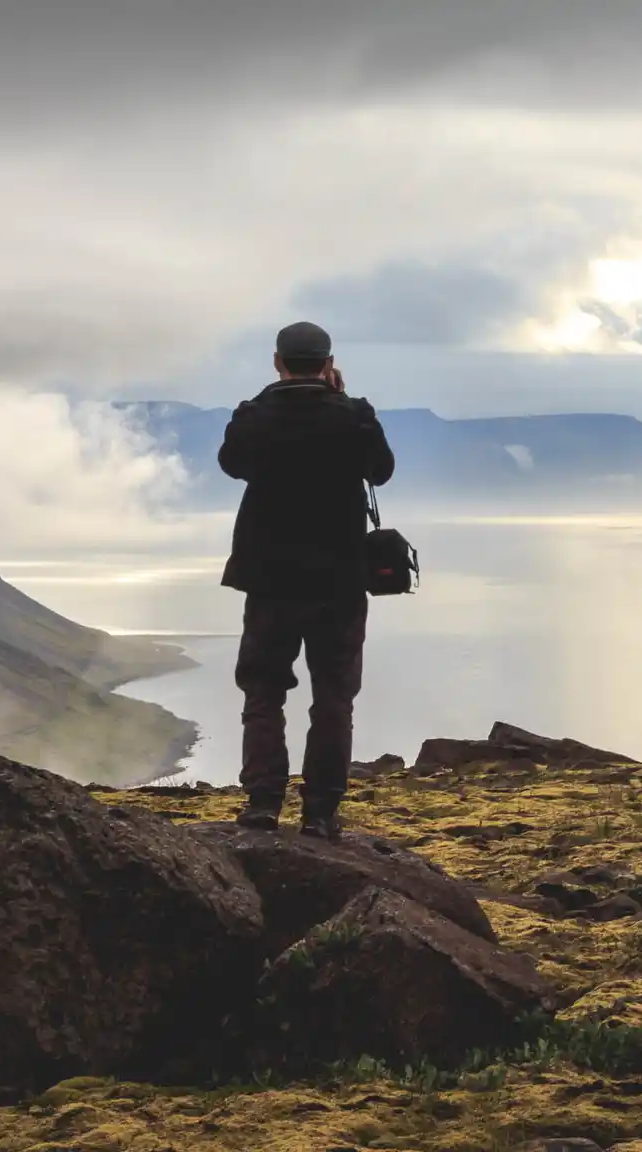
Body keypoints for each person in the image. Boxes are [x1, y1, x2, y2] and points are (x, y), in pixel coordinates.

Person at [218, 320, 395, 838]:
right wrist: (340, 401)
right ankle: (320, 814)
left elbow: (231, 463)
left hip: (269, 579)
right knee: (334, 699)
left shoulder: (254, 417)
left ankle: (262, 804)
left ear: (278, 362)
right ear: (328, 364)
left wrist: (266, 401)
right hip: (339, 581)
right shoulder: (354, 416)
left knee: (263, 692)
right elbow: (381, 471)